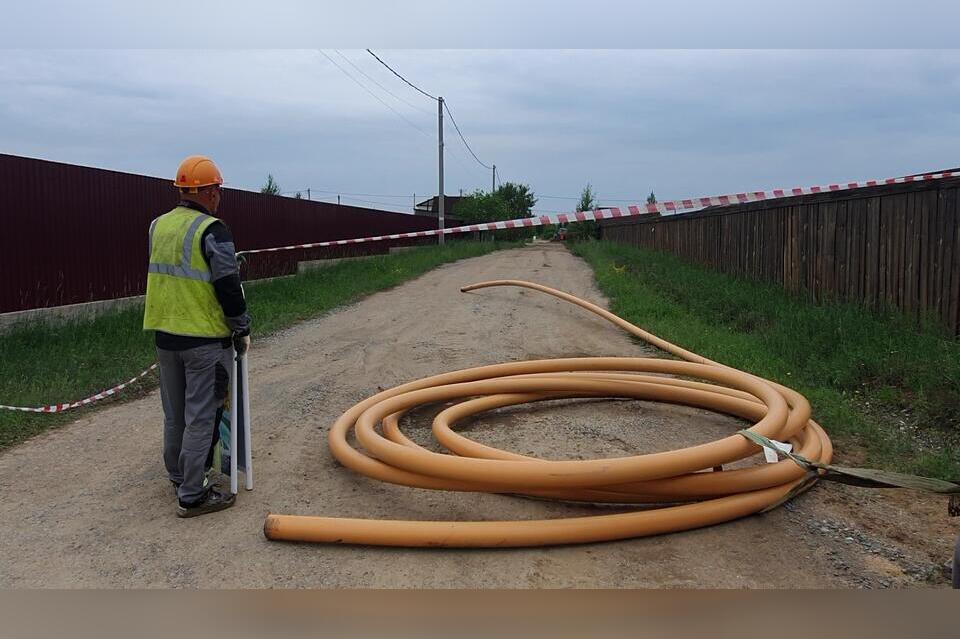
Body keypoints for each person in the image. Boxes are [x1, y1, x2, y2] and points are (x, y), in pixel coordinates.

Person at [143, 155, 251, 517]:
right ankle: (192, 494)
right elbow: (227, 283)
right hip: (203, 340)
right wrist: (242, 326)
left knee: (174, 415)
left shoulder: (158, 226)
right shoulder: (212, 229)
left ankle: (178, 475)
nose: (219, 196)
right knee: (202, 415)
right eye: (217, 189)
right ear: (205, 192)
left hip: (165, 336)